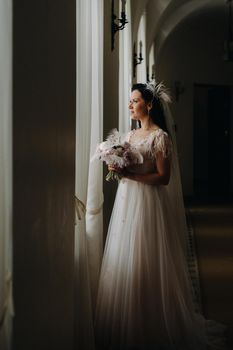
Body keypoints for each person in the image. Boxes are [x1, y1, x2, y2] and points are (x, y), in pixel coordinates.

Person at [94, 82, 227, 350]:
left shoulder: (160, 137)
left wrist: (128, 174)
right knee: (125, 256)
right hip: (126, 202)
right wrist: (115, 163)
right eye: (130, 101)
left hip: (147, 204)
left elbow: (163, 178)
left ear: (150, 104)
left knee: (147, 256)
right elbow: (126, 163)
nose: (130, 105)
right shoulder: (130, 137)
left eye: (135, 101)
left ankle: (152, 322)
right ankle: (128, 322)